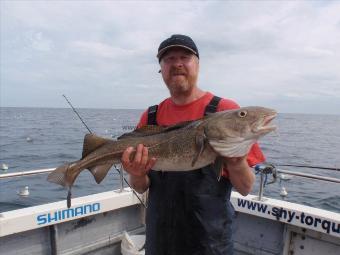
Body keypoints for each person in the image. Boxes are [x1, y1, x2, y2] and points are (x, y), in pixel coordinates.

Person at [121, 34, 265, 255]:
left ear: (197, 64)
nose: (177, 63)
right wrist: (137, 173)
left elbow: (245, 188)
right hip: (161, 240)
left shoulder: (225, 111)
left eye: (185, 57)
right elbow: (140, 186)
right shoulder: (150, 117)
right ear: (161, 69)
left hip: (210, 243)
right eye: (169, 59)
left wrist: (236, 163)